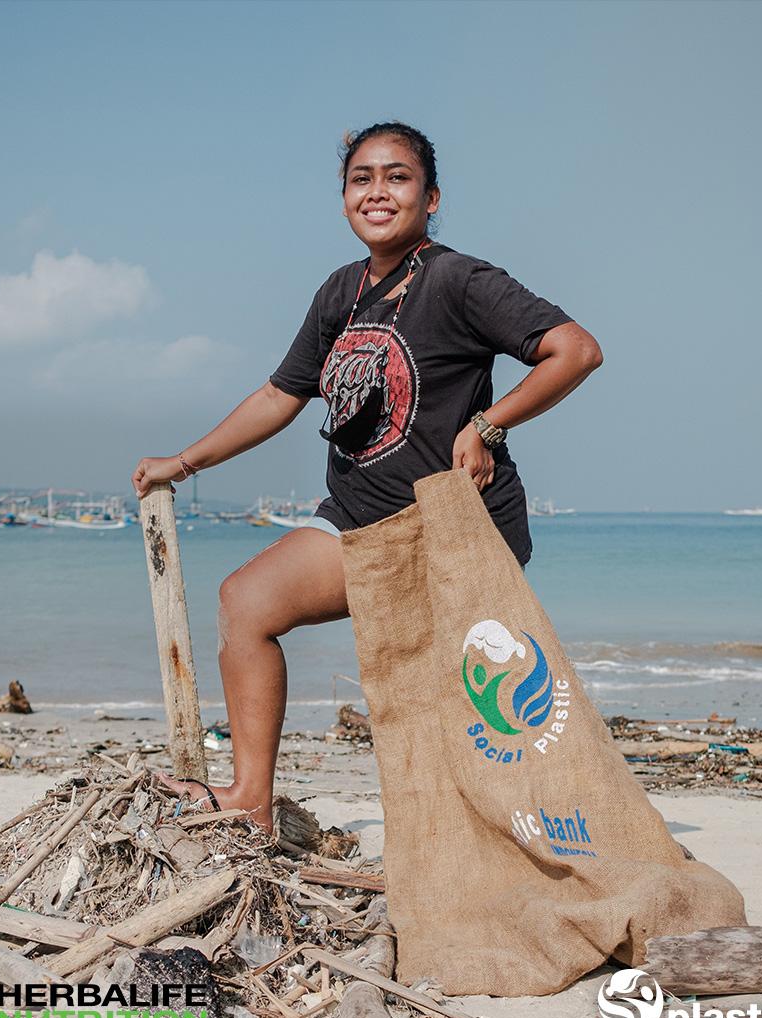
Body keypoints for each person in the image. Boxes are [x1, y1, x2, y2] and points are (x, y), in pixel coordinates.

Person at [132, 122, 602, 830]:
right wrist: (185, 461)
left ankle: (548, 831)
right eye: (362, 178)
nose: (377, 190)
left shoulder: (460, 280)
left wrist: (488, 425)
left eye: (397, 176)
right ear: (345, 197)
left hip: (452, 531)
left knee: (476, 712)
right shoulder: (340, 293)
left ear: (431, 196)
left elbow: (575, 350)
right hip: (359, 516)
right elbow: (278, 397)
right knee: (246, 603)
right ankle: (249, 801)